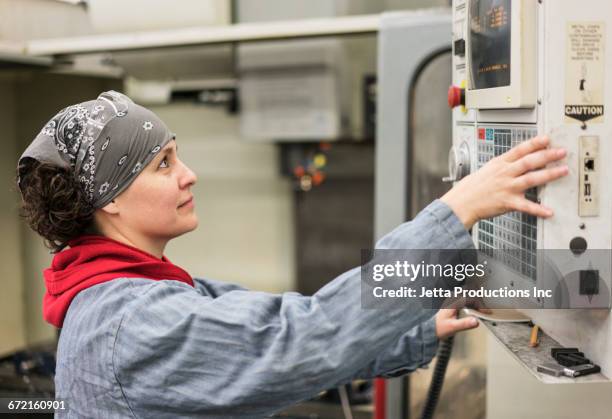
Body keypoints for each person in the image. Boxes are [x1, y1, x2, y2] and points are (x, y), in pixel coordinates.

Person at [16, 91, 568, 418]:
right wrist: (455, 211)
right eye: (163, 164)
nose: (189, 175)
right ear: (109, 199)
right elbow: (301, 338)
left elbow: (283, 324)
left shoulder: (133, 290)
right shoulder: (134, 322)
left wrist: (422, 331)